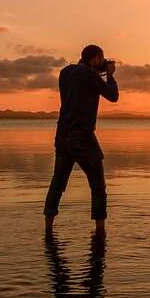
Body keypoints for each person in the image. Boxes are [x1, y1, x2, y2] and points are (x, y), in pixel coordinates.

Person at [43, 44, 119, 232]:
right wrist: (109, 74)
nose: (102, 63)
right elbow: (112, 96)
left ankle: (48, 229)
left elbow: (81, 87)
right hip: (82, 137)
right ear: (95, 59)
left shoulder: (65, 72)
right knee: (98, 186)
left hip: (62, 135)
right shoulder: (88, 74)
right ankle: (100, 231)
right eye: (101, 59)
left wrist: (98, 72)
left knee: (57, 183)